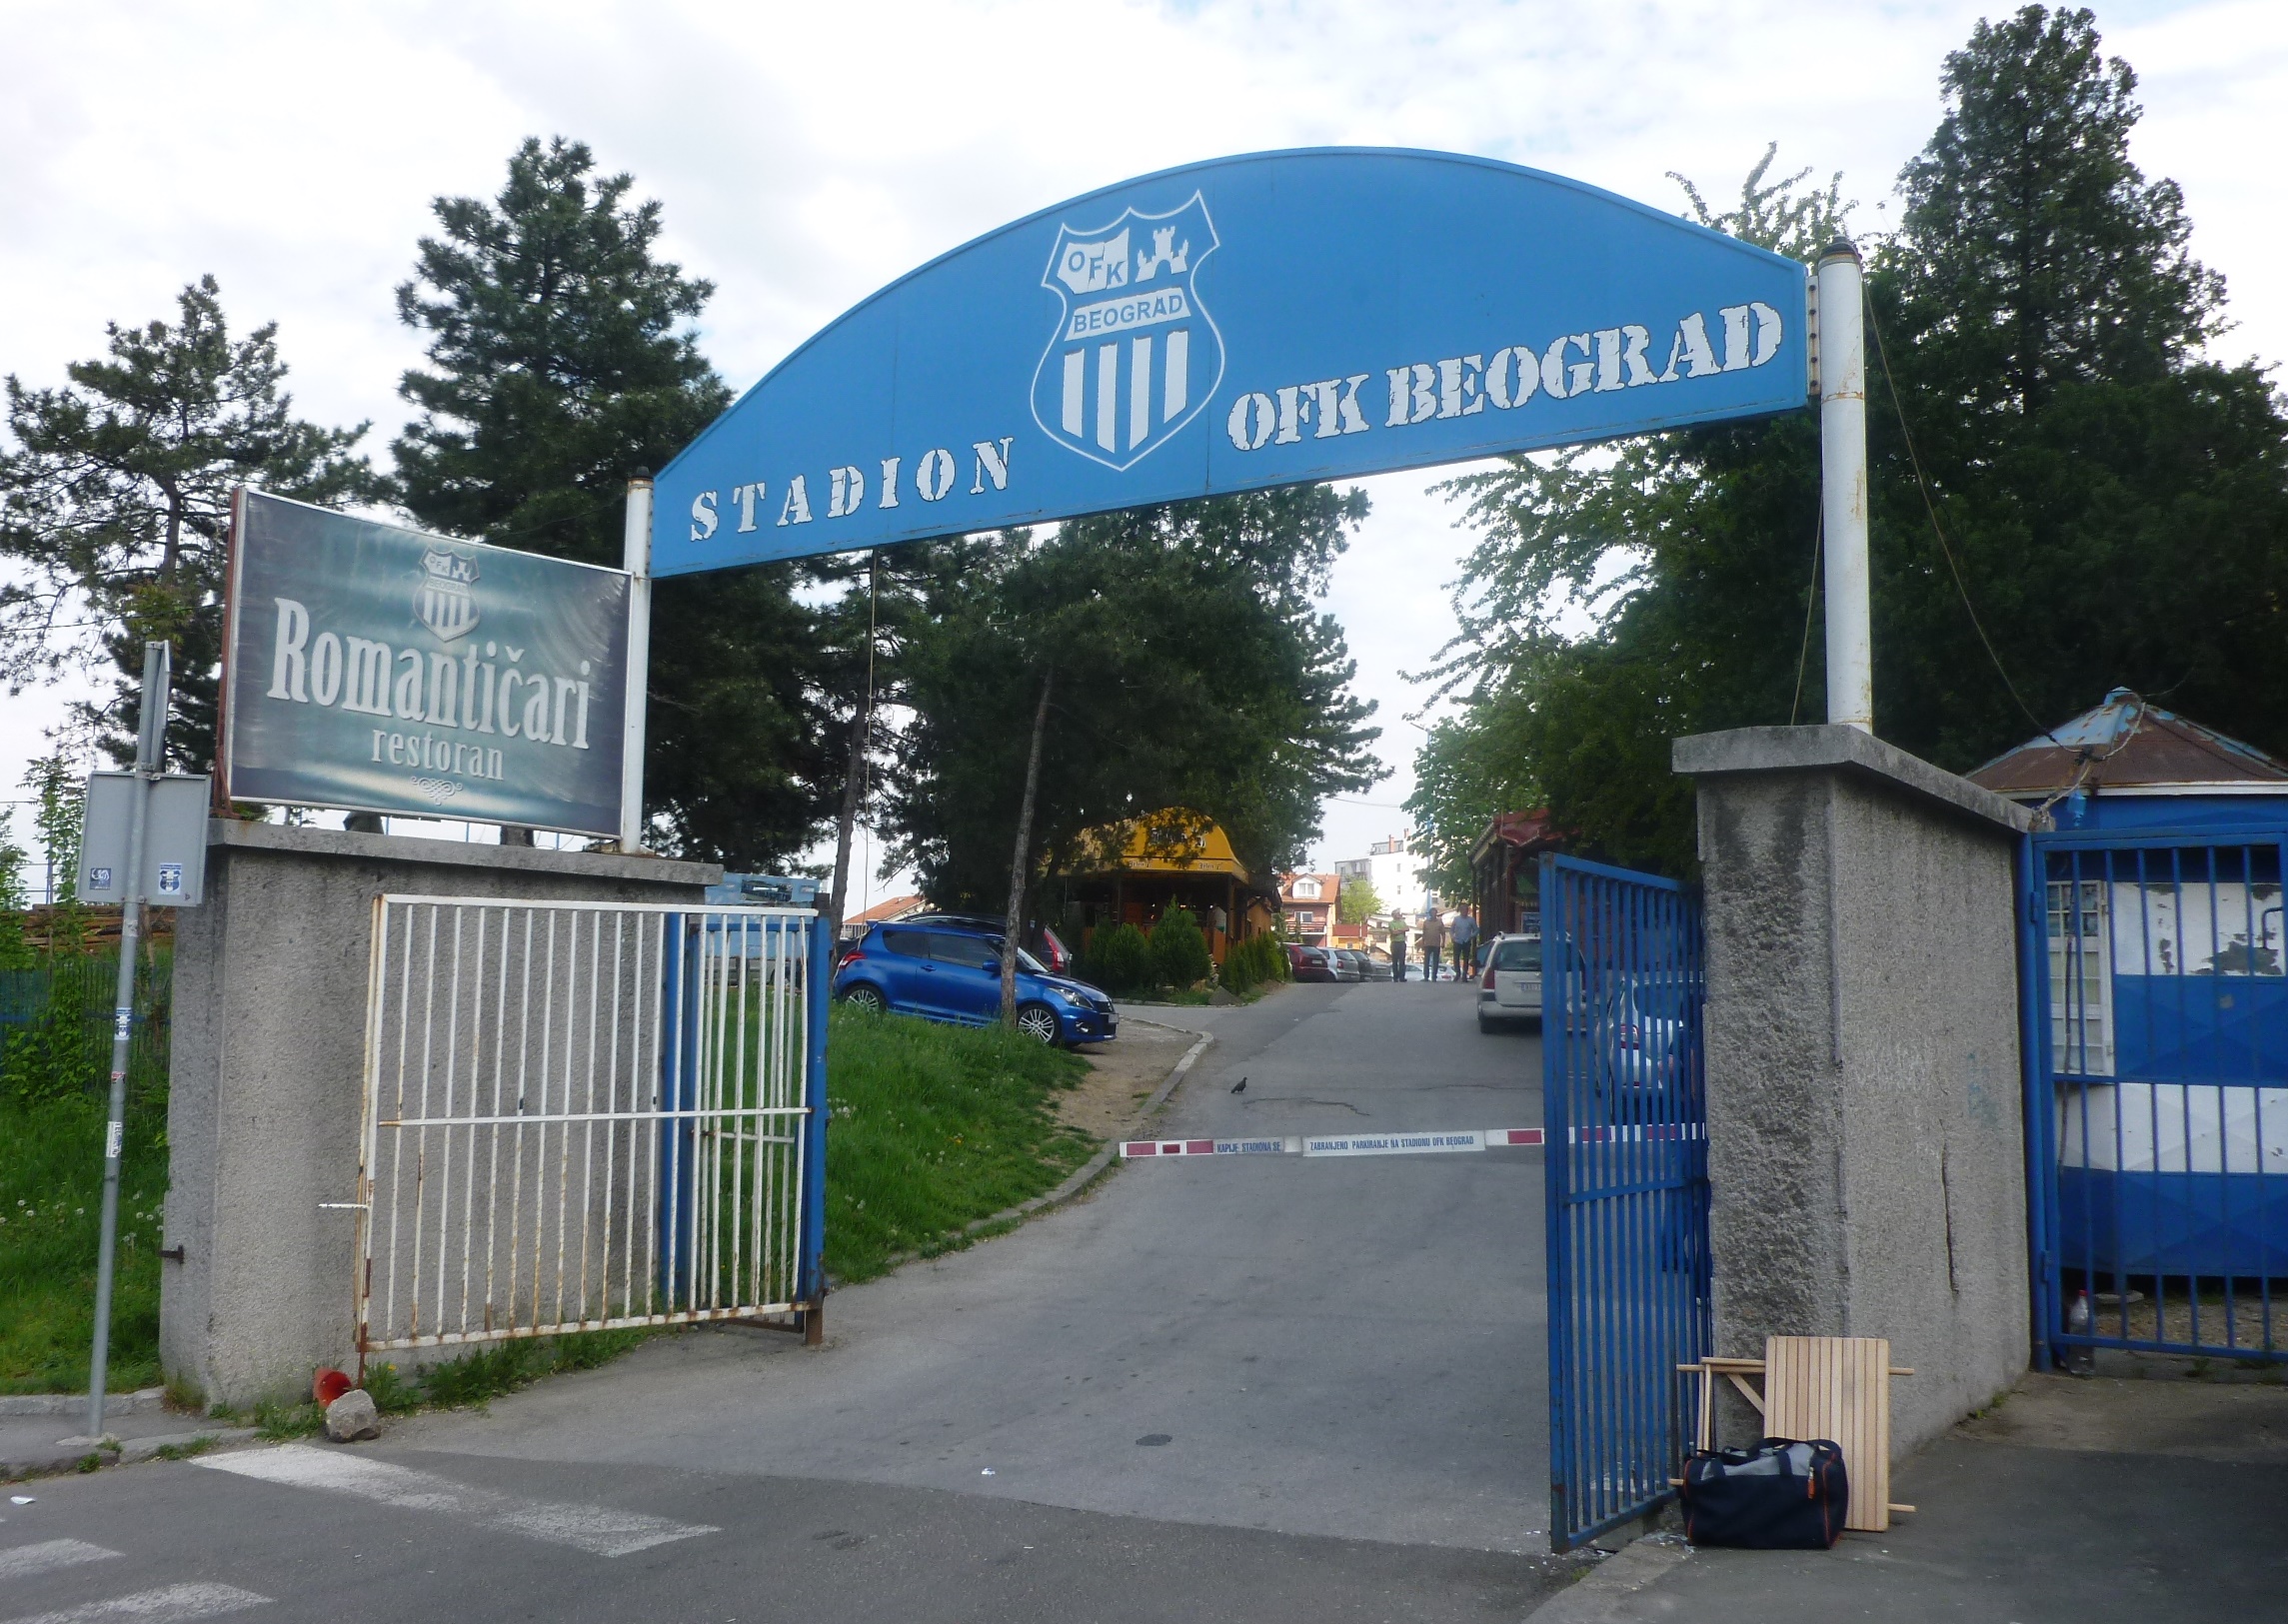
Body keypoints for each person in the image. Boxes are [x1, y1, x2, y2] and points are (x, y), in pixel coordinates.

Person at [1420, 909, 1445, 982]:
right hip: (1427, 944)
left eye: (1435, 913)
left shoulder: (1440, 922)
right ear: (1430, 914)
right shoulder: (1426, 922)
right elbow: (1424, 934)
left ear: (1436, 914)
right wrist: (1422, 944)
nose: (1433, 914)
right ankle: (1426, 977)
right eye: (1432, 913)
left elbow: (1443, 933)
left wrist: (1443, 942)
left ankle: (1434, 977)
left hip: (1436, 944)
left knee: (1435, 961)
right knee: (1426, 961)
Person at [1451, 909, 1478, 977]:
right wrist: (1452, 937)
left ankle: (1464, 974)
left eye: (1465, 910)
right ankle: (1458, 973)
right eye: (1463, 910)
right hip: (1457, 941)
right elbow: (1452, 929)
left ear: (1467, 911)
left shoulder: (1471, 920)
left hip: (1466, 941)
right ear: (1460, 911)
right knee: (1456, 958)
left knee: (1466, 958)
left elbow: (1476, 930)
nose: (1464, 912)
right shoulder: (1456, 919)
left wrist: (1471, 936)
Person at [1387, 914, 1408, 981]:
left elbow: (1407, 929)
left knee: (1402, 960)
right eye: (1396, 914)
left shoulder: (1403, 922)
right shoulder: (1391, 923)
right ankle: (1395, 977)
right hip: (1394, 943)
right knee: (1395, 960)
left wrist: (1398, 930)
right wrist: (1402, 930)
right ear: (1393, 915)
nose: (1398, 915)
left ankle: (1402, 977)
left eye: (1399, 914)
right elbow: (1394, 932)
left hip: (1402, 942)